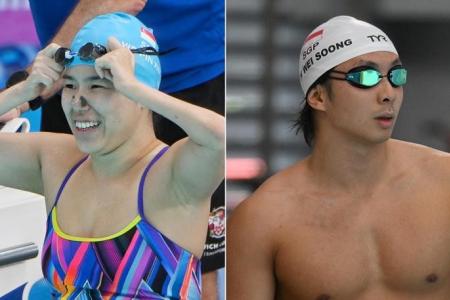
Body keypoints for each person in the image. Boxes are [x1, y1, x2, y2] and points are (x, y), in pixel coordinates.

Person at [0, 12, 224, 299]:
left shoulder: (173, 175)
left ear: (141, 94)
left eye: (99, 85)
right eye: (70, 85)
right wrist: (25, 90)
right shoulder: (57, 161)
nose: (78, 102)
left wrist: (132, 86)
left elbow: (220, 138)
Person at [227, 16, 450, 300]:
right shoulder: (262, 220)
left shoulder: (444, 183)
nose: (388, 94)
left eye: (396, 76)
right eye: (365, 77)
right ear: (318, 97)